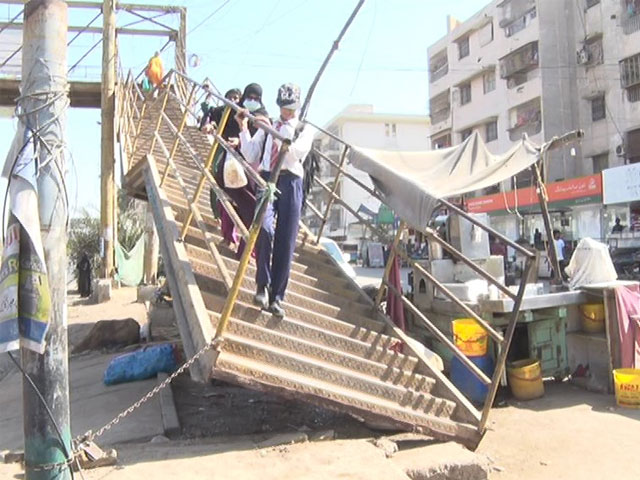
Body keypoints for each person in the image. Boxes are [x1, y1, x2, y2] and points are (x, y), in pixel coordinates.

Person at [238, 83, 313, 317]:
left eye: (290, 108)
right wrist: (243, 127)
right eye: (283, 108)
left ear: (298, 107)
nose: (286, 112)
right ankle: (262, 284)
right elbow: (250, 153)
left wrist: (279, 137)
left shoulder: (303, 128)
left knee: (286, 240)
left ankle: (277, 296)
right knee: (265, 228)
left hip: (290, 181)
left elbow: (296, 152)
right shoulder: (269, 126)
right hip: (267, 178)